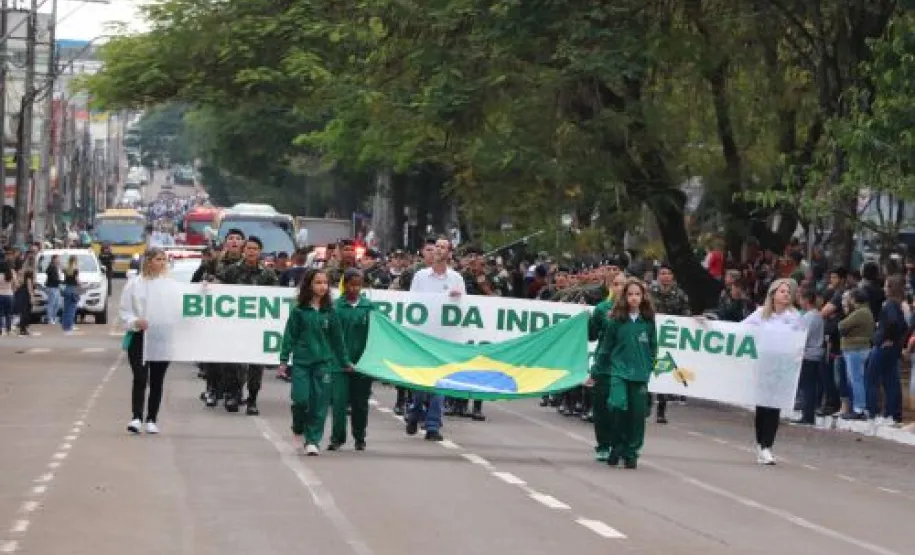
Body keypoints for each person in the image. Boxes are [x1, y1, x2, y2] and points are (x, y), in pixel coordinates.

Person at [278, 269, 352, 456]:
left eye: (325, 283)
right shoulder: (299, 311)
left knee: (320, 403)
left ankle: (313, 441)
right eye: (318, 282)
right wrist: (284, 360)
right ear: (309, 285)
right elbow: (289, 336)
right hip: (302, 363)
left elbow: (338, 340)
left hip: (324, 364)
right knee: (301, 400)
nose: (322, 286)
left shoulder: (331, 312)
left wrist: (345, 361)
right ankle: (298, 427)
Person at [406, 236, 465, 442]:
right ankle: (414, 413)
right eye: (436, 247)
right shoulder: (420, 276)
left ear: (449, 253)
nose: (438, 250)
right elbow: (411, 304)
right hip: (423, 337)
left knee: (439, 383)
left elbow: (464, 309)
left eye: (443, 247)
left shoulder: (456, 278)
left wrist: (458, 299)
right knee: (421, 385)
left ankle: (433, 425)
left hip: (443, 339)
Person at [596, 278, 657, 469]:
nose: (633, 298)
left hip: (639, 375)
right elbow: (606, 348)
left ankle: (631, 452)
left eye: (637, 294)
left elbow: (653, 347)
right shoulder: (616, 320)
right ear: (624, 297)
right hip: (619, 373)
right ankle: (616, 446)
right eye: (630, 294)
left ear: (643, 297)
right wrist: (596, 370)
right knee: (617, 406)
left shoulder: (647, 322)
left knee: (637, 415)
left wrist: (648, 367)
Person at [741, 278, 803, 465]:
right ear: (773, 294)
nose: (785, 294)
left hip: (783, 367)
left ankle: (768, 446)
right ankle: (761, 444)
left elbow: (800, 340)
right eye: (782, 291)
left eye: (788, 291)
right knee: (763, 406)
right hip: (763, 365)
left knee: (775, 405)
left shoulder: (794, 317)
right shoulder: (761, 314)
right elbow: (739, 329)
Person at [119, 248, 172, 434]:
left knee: (157, 379)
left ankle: (152, 418)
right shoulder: (134, 284)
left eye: (164, 260)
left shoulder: (169, 284)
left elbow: (182, 305)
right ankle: (136, 417)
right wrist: (135, 322)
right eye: (158, 259)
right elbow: (124, 311)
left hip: (161, 336)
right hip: (140, 335)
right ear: (148, 261)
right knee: (140, 377)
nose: (162, 263)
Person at [329, 269, 374, 451]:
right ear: (344, 284)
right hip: (339, 364)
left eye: (358, 285)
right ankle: (337, 438)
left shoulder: (368, 307)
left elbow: (377, 334)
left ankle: (360, 437)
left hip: (363, 363)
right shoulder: (336, 307)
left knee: (360, 403)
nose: (355, 288)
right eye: (351, 284)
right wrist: (341, 360)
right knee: (339, 402)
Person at [585, 271, 626, 462]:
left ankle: (619, 445)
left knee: (619, 409)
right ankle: (603, 445)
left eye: (623, 285)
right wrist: (586, 320)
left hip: (625, 367)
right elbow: (591, 335)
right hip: (603, 365)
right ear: (610, 287)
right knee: (601, 409)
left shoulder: (636, 310)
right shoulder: (602, 308)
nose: (620, 288)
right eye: (616, 284)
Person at [837, 288, 874, 421]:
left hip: (855, 349)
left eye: (850, 298)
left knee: (856, 379)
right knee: (856, 379)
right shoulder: (863, 311)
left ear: (855, 299)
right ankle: (858, 408)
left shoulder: (861, 312)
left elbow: (842, 325)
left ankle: (859, 409)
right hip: (858, 348)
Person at [793, 286, 824, 425]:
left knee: (807, 387)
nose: (799, 301)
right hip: (814, 354)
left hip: (808, 355)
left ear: (806, 300)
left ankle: (807, 416)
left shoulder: (810, 317)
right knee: (809, 386)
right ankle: (807, 415)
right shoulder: (816, 315)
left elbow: (803, 336)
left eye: (800, 298)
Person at [61, 255, 80, 333]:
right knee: (72, 309)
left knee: (66, 308)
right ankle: (70, 326)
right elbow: (77, 280)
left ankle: (65, 325)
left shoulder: (66, 269)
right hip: (73, 289)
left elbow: (64, 277)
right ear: (75, 261)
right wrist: (81, 285)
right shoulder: (76, 270)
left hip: (66, 288)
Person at [14, 267, 35, 335]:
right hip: (26, 297)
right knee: (27, 313)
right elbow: (30, 290)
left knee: (23, 312)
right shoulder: (29, 280)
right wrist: (32, 298)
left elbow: (17, 286)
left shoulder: (23, 280)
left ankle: (22, 328)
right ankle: (24, 328)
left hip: (22, 297)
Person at [44, 254, 61, 325]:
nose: (59, 260)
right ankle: (50, 319)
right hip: (52, 287)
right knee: (51, 303)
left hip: (56, 287)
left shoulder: (55, 267)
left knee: (57, 304)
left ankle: (53, 318)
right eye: (58, 259)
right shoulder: (52, 267)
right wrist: (61, 281)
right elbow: (54, 278)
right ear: (54, 259)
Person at [0, 260, 15, 335]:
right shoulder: (10, 275)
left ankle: (1, 329)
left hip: (0, 295)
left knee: (1, 313)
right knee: (8, 313)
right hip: (9, 294)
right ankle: (9, 329)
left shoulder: (0, 276)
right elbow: (15, 284)